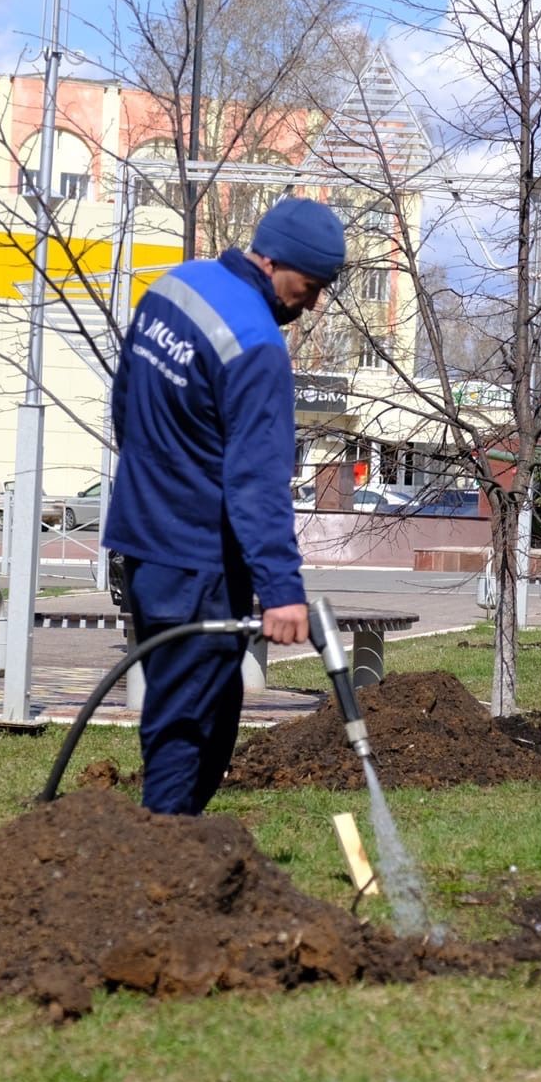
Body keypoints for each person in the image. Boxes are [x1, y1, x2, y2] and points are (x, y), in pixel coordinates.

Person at [104, 196, 346, 814]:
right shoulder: (257, 344)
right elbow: (256, 483)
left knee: (178, 705)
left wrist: (153, 483)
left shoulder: (175, 286)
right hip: (199, 562)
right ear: (274, 262)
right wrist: (283, 591)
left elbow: (125, 401)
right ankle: (163, 866)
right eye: (310, 286)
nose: (311, 303)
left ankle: (166, 849)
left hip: (143, 542)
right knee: (194, 726)